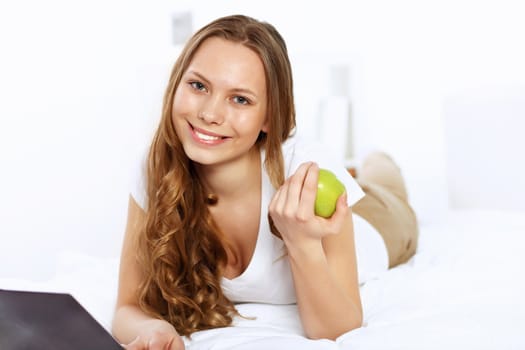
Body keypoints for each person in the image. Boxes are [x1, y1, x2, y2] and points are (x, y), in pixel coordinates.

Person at [111, 14, 418, 349]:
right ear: (175, 85)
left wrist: (301, 242)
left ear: (270, 117)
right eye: (198, 86)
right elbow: (128, 307)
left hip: (380, 224)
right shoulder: (156, 168)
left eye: (240, 99)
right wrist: (155, 330)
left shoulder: (308, 165)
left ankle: (376, 161)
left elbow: (335, 330)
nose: (210, 114)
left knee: (384, 180)